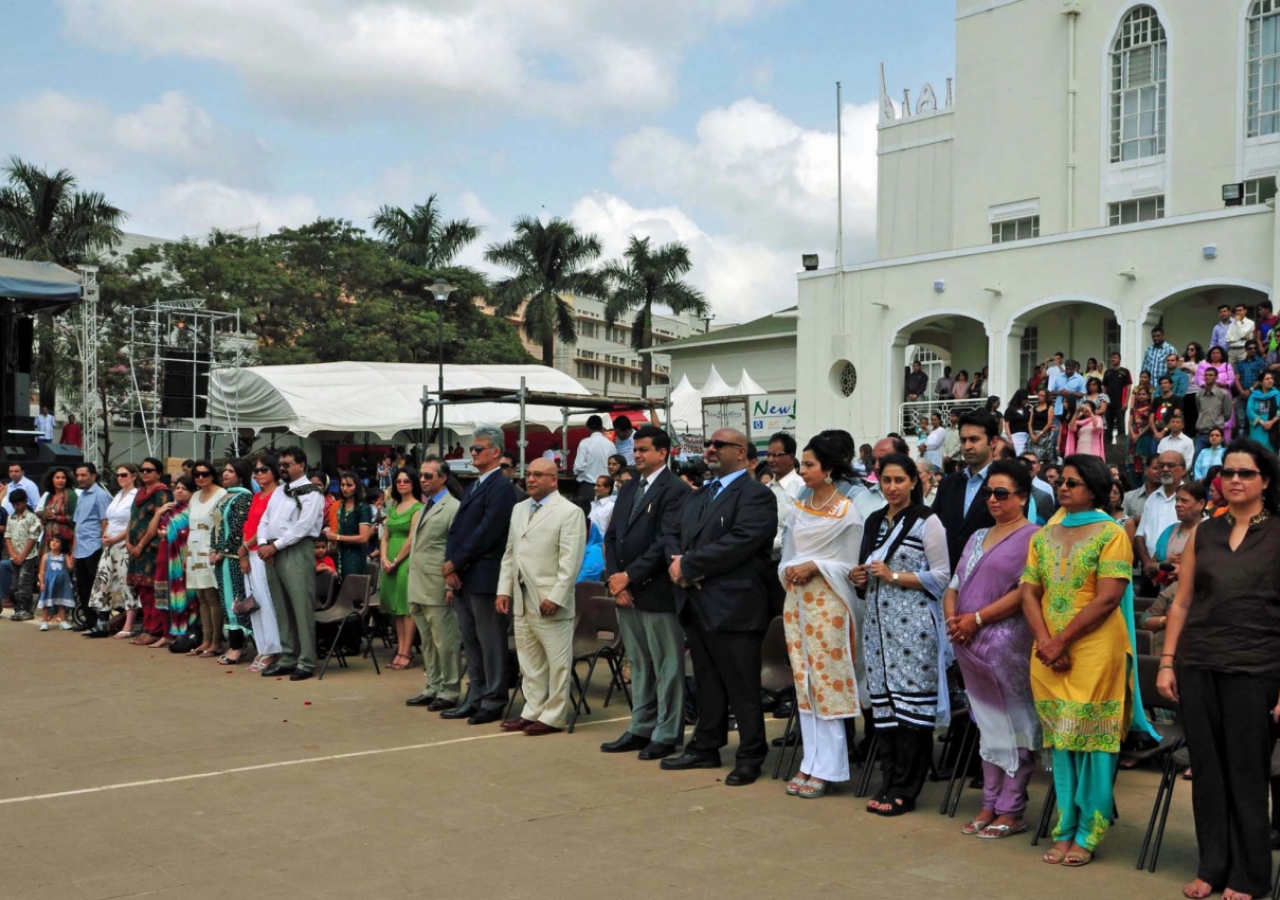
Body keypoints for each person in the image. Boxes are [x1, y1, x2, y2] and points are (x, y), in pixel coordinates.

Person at [1020, 454, 1159, 866]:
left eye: (1074, 482)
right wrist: (1047, 642)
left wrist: (1061, 640)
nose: (1063, 488)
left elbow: (1109, 597)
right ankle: (1063, 827)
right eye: (1061, 481)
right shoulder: (1044, 534)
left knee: (1094, 743)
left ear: (1095, 489)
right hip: (1048, 651)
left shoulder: (1110, 532)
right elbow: (1029, 592)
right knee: (1061, 741)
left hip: (1095, 648)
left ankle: (1089, 830)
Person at [1157, 440, 1280, 900]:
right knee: (1208, 772)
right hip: (1198, 663)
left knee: (1246, 772)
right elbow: (1183, 600)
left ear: (1264, 480)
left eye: (1246, 473)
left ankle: (1249, 876)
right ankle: (1213, 865)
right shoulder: (1205, 532)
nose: (1234, 480)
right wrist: (1167, 662)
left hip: (1256, 667)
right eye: (1228, 472)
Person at [662, 428, 777, 786]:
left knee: (742, 686)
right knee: (708, 681)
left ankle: (750, 754)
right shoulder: (699, 496)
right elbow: (673, 535)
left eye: (718, 445)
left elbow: (743, 542)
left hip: (735, 605)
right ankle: (706, 746)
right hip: (696, 601)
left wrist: (691, 565)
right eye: (709, 444)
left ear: (741, 453)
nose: (710, 449)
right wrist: (677, 564)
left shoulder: (757, 495)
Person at [943, 459, 1040, 838]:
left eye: (1002, 493)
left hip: (1006, 643)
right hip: (967, 642)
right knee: (987, 725)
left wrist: (977, 620)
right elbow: (954, 583)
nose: (994, 500)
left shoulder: (1035, 536)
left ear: (1022, 497)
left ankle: (1012, 809)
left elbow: (1026, 592)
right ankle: (989, 803)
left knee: (1016, 724)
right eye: (989, 493)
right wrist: (955, 620)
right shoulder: (977, 535)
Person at [852, 453, 951, 815]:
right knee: (885, 712)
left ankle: (906, 789)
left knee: (913, 713)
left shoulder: (929, 522)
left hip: (914, 631)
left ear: (914, 481)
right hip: (878, 630)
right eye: (886, 480)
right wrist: (859, 577)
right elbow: (866, 571)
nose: (892, 487)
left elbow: (942, 577)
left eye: (899, 480)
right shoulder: (874, 520)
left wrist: (893, 576)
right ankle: (888, 781)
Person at [774, 433, 865, 798]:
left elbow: (851, 565)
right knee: (804, 681)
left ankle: (828, 769)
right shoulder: (799, 507)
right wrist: (792, 570)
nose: (804, 470)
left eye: (810, 465)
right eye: (804, 464)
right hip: (797, 602)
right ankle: (810, 763)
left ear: (828, 470)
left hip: (829, 605)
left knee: (828, 684)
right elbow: (786, 554)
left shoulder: (847, 512)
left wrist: (815, 565)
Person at [601, 425, 691, 759]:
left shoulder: (675, 490)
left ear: (662, 453)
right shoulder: (628, 488)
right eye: (635, 450)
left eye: (643, 450)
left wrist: (630, 577)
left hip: (655, 591)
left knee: (667, 665)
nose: (636, 455)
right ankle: (640, 726)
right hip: (624, 591)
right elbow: (611, 537)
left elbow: (664, 542)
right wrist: (614, 579)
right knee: (638, 663)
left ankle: (666, 733)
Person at [495, 459, 586, 735]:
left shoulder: (570, 512)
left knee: (557, 664)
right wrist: (503, 589)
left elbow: (571, 561)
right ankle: (531, 711)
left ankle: (554, 716)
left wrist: (557, 596)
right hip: (522, 599)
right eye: (528, 474)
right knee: (529, 662)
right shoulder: (519, 508)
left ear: (554, 480)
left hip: (550, 600)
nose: (530, 479)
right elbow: (511, 553)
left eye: (538, 474)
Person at [442, 426, 518, 724]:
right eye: (471, 449)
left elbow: (488, 532)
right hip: (464, 574)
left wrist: (456, 562)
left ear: (495, 452)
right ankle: (475, 694)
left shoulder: (501, 487)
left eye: (477, 449)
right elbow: (458, 529)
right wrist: (451, 563)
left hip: (485, 575)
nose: (471, 453)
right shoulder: (475, 486)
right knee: (470, 640)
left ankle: (494, 698)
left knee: (491, 641)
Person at [256, 446, 325, 681]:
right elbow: (265, 519)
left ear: (301, 465)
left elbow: (303, 527)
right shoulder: (279, 492)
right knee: (281, 606)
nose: (283, 468)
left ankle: (306, 661)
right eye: (281, 465)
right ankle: (288, 656)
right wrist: (265, 543)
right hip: (272, 550)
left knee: (300, 606)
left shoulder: (312, 493)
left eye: (287, 464)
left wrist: (274, 546)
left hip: (296, 549)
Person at [405, 459, 462, 711]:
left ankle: (449, 690)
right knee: (427, 642)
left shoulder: (454, 508)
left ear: (443, 478)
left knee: (445, 642)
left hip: (438, 584)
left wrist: (451, 586)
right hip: (418, 583)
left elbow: (454, 550)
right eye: (421, 475)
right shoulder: (424, 506)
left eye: (428, 475)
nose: (423, 479)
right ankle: (432, 686)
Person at [1137, 482, 1207, 657]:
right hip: (1167, 597)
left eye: (1184, 501)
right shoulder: (1170, 531)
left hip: (1198, 597)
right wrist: (1165, 564)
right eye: (1177, 500)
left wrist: (1185, 570)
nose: (1178, 504)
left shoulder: (1210, 532)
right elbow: (1150, 567)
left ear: (1201, 504)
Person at [932, 411, 997, 571]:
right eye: (963, 440)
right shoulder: (948, 483)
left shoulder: (1008, 483)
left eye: (974, 439)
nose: (967, 446)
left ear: (993, 442)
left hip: (988, 577)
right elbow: (935, 528)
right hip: (947, 577)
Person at [241, 455, 283, 673]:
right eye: (256, 471)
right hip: (250, 553)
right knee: (254, 603)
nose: (258, 474)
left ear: (274, 471)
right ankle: (263, 645)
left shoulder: (278, 495)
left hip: (263, 552)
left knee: (267, 602)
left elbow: (266, 527)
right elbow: (248, 524)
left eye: (263, 470)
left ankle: (274, 648)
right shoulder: (258, 495)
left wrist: (246, 547)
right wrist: (244, 552)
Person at [87, 464, 139, 639]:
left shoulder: (135, 495)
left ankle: (129, 624)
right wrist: (105, 536)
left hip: (124, 543)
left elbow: (132, 522)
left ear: (133, 476)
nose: (120, 478)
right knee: (103, 580)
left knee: (126, 582)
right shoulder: (117, 495)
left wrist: (115, 539)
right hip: (109, 544)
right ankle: (103, 622)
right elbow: (109, 519)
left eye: (124, 475)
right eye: (118, 475)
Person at [209, 459, 253, 664]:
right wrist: (213, 549)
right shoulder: (225, 496)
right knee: (226, 600)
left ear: (241, 475)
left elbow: (238, 528)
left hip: (234, 558)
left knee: (236, 599)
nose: (225, 474)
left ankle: (238, 645)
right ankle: (235, 644)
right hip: (222, 559)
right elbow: (215, 526)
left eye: (230, 471)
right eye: (224, 471)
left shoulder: (243, 497)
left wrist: (223, 551)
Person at [126, 459, 172, 646]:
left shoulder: (162, 493)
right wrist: (129, 542)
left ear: (159, 473)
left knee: (154, 590)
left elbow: (159, 520)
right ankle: (147, 626)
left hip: (152, 548)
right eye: (143, 470)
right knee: (142, 590)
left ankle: (156, 629)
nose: (145, 473)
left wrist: (141, 545)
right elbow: (133, 518)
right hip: (135, 547)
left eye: (149, 470)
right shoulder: (139, 492)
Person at [380, 468, 423, 671]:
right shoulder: (392, 507)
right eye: (398, 480)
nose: (402, 483)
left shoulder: (418, 507)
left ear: (413, 483)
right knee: (396, 608)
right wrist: (383, 558)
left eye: (406, 480)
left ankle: (406, 652)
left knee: (407, 607)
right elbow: (385, 536)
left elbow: (412, 537)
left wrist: (395, 560)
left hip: (406, 559)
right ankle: (400, 649)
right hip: (389, 558)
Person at [185, 460, 227, 658]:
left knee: (212, 596)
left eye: (205, 474)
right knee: (201, 597)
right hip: (194, 550)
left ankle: (217, 641)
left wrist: (217, 550)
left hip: (210, 550)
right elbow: (190, 526)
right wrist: (186, 554)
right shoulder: (194, 496)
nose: (201, 478)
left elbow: (221, 526)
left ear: (213, 475)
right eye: (197, 475)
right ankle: (205, 640)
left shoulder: (221, 494)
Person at [152, 475, 195, 650]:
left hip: (181, 560)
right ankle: (167, 634)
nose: (178, 491)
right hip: (164, 558)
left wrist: (169, 533)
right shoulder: (169, 510)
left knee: (184, 596)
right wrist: (158, 512)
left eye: (184, 488)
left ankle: (184, 634)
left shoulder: (192, 511)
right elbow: (153, 529)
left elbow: (190, 533)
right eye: (177, 487)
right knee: (162, 595)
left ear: (192, 492)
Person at [72, 463, 111, 633]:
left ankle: (101, 622)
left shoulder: (101, 495)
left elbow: (105, 521)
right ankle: (89, 621)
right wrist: (73, 549)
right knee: (83, 585)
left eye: (84, 475)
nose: (80, 478)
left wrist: (102, 545)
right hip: (80, 546)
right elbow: (77, 523)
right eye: (78, 475)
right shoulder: (81, 495)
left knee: (98, 585)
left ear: (93, 476)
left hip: (94, 545)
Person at [324, 470, 373, 582]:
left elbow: (363, 537)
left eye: (349, 485)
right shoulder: (340, 507)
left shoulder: (362, 508)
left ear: (357, 487)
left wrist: (337, 537)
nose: (345, 488)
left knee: (352, 591)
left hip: (355, 556)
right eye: (342, 485)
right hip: (339, 555)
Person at [2, 490, 39, 620]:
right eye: (14, 505)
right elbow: (7, 536)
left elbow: (32, 538)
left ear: (24, 502)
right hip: (14, 555)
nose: (16, 507)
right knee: (15, 583)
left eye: (19, 504)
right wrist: (12, 553)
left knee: (25, 583)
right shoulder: (11, 518)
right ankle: (18, 608)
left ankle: (27, 609)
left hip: (28, 556)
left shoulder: (31, 518)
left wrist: (23, 555)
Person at [574, 415, 616, 511]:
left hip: (588, 487)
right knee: (604, 515)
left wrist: (576, 472)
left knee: (585, 517)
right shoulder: (610, 444)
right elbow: (614, 464)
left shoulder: (585, 443)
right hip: (606, 486)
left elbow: (579, 466)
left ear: (588, 428)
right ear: (601, 428)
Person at [36, 534, 76, 630]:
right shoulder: (46, 556)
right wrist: (42, 582)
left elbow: (70, 568)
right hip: (49, 583)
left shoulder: (64, 556)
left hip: (62, 583)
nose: (54, 543)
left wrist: (72, 562)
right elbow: (42, 570)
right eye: (53, 540)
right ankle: (44, 621)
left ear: (62, 545)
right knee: (46, 602)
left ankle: (63, 621)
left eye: (57, 541)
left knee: (61, 602)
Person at [1193, 365, 1233, 460]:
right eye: (1206, 375)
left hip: (1217, 433)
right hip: (1201, 433)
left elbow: (1227, 414)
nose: (1207, 377)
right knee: (1197, 458)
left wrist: (1217, 420)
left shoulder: (1223, 394)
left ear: (1216, 377)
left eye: (1211, 375)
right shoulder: (1199, 395)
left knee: (1219, 460)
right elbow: (1199, 411)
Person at [37, 467, 76, 552]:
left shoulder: (71, 495)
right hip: (49, 537)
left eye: (63, 478)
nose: (61, 480)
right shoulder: (49, 496)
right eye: (57, 478)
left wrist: (55, 517)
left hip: (64, 539)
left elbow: (75, 518)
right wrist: (45, 516)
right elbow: (44, 519)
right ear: (51, 480)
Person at [1101, 353, 1131, 442]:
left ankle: (1121, 449)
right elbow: (1104, 388)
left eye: (1115, 357)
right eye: (1111, 358)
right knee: (1108, 427)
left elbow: (1128, 388)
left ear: (1119, 359)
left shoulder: (1125, 372)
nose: (1113, 359)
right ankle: (1107, 448)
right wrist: (1104, 402)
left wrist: (1126, 402)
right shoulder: (1107, 373)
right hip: (1109, 404)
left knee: (1121, 427)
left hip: (1120, 404)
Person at [1247, 370, 1280, 451]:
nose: (1270, 380)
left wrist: (1271, 422)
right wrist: (1262, 422)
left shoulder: (1277, 395)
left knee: (1270, 455)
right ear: (1261, 382)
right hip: (1257, 428)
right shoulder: (1254, 396)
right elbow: (1249, 410)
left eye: (1271, 378)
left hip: (1273, 428)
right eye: (1267, 379)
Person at [1029, 388, 1055, 464]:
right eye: (1038, 394)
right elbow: (1030, 423)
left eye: (1042, 395)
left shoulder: (1050, 407)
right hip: (1033, 434)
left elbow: (1049, 423)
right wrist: (1032, 434)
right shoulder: (1034, 407)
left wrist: (1039, 435)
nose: (1039, 396)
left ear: (1046, 397)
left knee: (1044, 459)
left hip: (1044, 435)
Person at [1003, 390, 1031, 455]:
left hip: (1026, 435)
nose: (1026, 401)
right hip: (1015, 436)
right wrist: (1010, 438)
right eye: (1024, 399)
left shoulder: (1026, 410)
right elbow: (1007, 425)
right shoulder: (1010, 410)